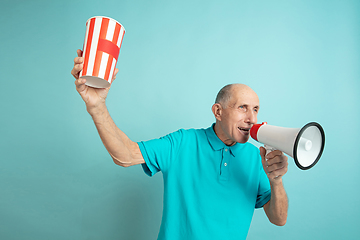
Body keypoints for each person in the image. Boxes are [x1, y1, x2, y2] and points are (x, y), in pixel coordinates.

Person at [71, 49, 289, 240]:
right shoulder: (183, 142)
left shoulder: (256, 157)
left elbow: (279, 219)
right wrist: (97, 106)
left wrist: (276, 180)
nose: (252, 118)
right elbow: (125, 155)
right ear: (218, 112)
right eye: (242, 107)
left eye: (256, 109)